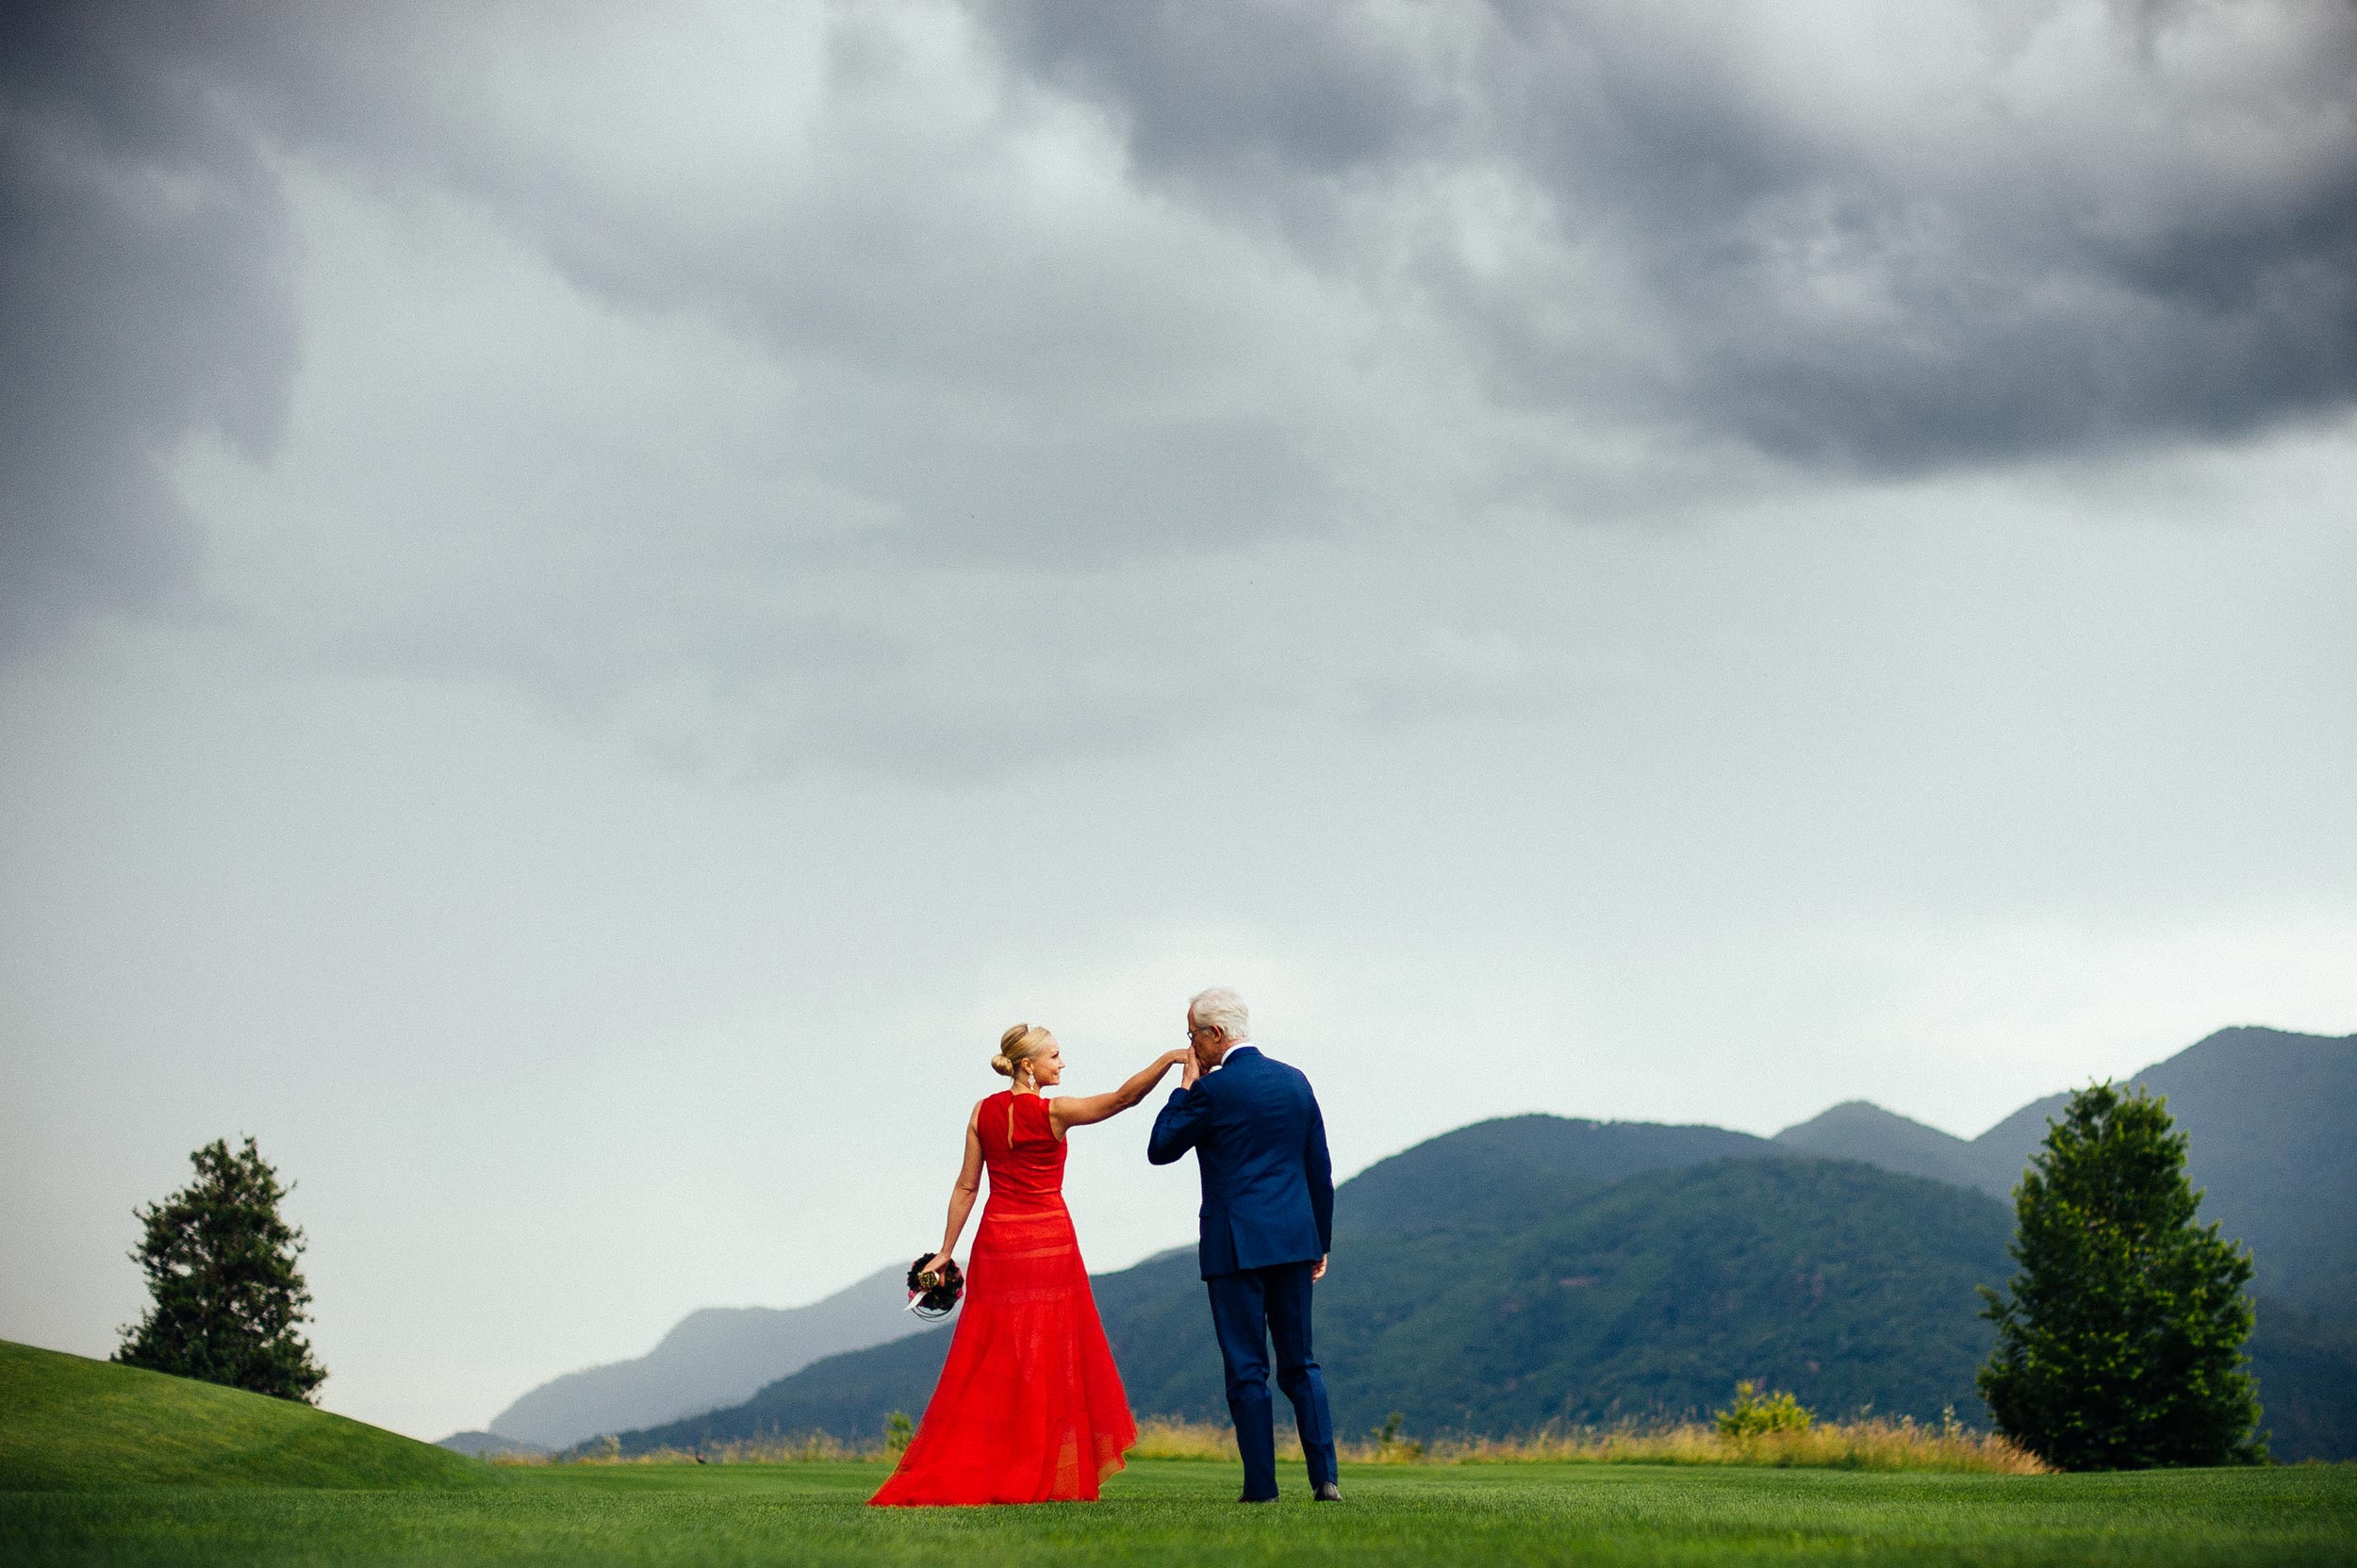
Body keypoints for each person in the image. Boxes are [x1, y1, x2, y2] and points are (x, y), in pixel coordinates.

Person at [869, 1024, 1190, 1506]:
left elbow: (966, 1187)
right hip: (1048, 1244)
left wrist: (945, 1250)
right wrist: (1169, 1060)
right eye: (1055, 1056)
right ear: (1028, 1066)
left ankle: (993, 1462)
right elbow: (1124, 1099)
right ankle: (1034, 1470)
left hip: (997, 1244)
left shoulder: (982, 1112)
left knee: (997, 1356)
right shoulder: (1056, 1113)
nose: (1062, 1064)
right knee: (1050, 1357)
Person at [1147, 987, 1340, 1503]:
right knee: (1301, 1364)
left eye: (1192, 1037)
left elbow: (1160, 1147)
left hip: (1234, 1247)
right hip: (1296, 1242)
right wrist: (1319, 1240)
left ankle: (1262, 1488)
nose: (1191, 1048)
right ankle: (1326, 1481)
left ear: (1215, 1034)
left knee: (1247, 1368)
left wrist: (1184, 1088)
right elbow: (1318, 1170)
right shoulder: (1295, 1081)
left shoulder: (1212, 1091)